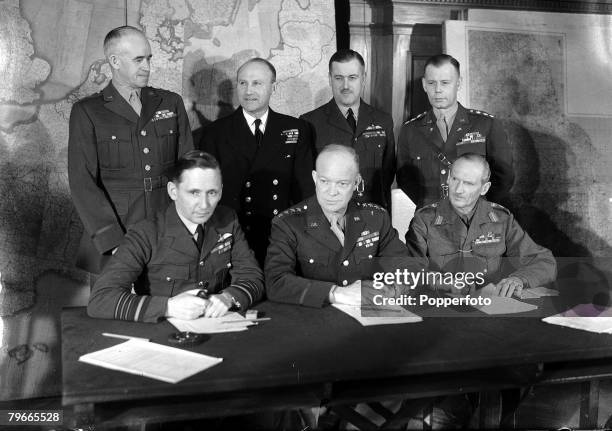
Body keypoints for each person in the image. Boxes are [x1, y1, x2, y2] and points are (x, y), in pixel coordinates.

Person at [68, 26, 193, 281]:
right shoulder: (88, 111)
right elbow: (83, 183)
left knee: (169, 314)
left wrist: (186, 227)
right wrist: (112, 241)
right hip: (116, 235)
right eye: (138, 59)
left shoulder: (170, 103)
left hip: (166, 232)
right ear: (114, 61)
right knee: (113, 316)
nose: (147, 66)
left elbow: (188, 169)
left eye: (148, 58)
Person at [87, 151, 263, 322]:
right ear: (173, 191)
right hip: (163, 333)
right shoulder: (146, 233)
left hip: (217, 328)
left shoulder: (227, 220)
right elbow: (101, 299)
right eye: (194, 193)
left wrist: (229, 297)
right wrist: (168, 307)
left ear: (221, 191)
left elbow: (252, 276)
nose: (204, 204)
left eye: (212, 193)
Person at [265, 145, 424, 307]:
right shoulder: (289, 223)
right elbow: (276, 281)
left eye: (342, 184)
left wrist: (394, 289)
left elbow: (407, 266)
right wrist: (335, 293)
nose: (331, 192)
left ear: (356, 182)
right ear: (314, 178)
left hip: (369, 316)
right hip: (314, 320)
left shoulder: (375, 218)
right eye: (324, 181)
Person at [198, 58, 314, 266]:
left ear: (273, 87)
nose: (248, 90)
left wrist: (303, 236)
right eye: (243, 83)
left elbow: (305, 190)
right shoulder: (214, 134)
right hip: (235, 238)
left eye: (257, 83)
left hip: (281, 237)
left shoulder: (296, 128)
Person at [406, 153, 556, 297]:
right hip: (439, 306)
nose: (458, 189)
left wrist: (519, 279)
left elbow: (544, 261)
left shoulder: (501, 219)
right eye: (454, 179)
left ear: (484, 188)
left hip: (490, 308)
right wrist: (441, 282)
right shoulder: (424, 220)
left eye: (468, 183)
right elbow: (410, 271)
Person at [397, 54, 514, 208]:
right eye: (432, 83)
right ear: (424, 85)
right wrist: (428, 208)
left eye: (445, 83)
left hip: (474, 220)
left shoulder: (486, 125)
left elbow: (504, 177)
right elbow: (405, 179)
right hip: (429, 221)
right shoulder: (410, 130)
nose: (437, 90)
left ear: (458, 84)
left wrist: (479, 208)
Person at [300, 49, 395, 211]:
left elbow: (387, 172)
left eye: (352, 78)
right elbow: (307, 179)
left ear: (363, 79)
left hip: (372, 213)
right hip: (329, 214)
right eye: (338, 78)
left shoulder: (383, 120)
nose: (345, 86)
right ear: (330, 79)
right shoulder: (310, 122)